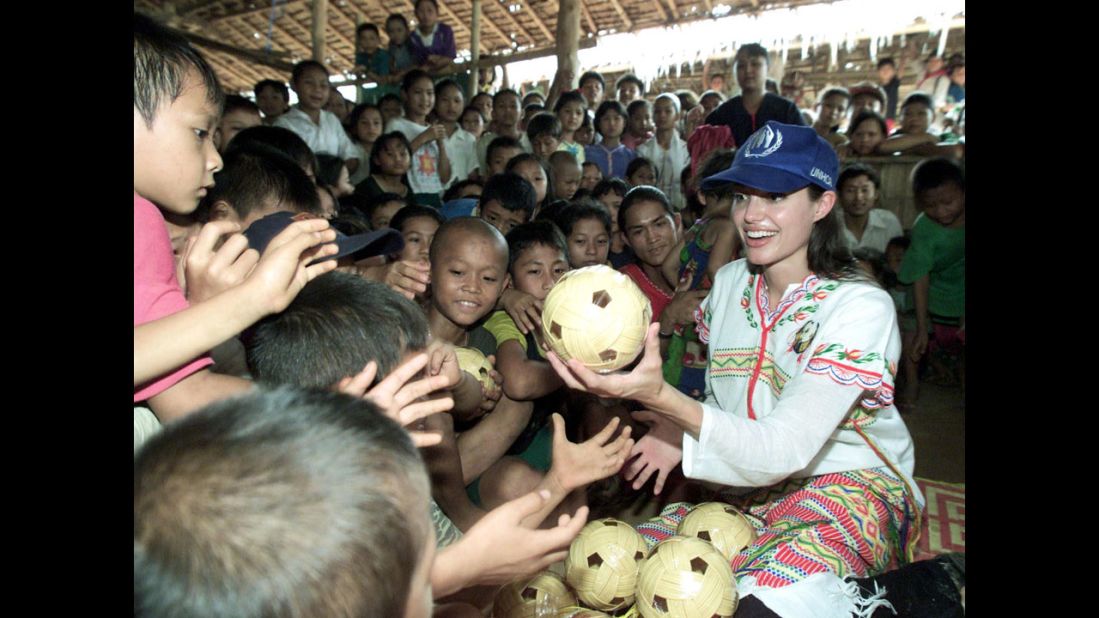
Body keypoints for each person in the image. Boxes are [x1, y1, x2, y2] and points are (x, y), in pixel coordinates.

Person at [547, 122, 934, 618]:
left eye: (774, 195)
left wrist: (664, 401)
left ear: (822, 204)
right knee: (616, 570)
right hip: (747, 489)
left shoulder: (859, 307)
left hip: (849, 484)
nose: (751, 216)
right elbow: (731, 401)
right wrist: (676, 432)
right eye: (741, 196)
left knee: (756, 602)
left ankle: (917, 596)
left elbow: (785, 446)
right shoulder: (729, 285)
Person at [134, 13, 337, 428]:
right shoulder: (142, 220)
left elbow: (179, 387)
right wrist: (254, 297)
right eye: (198, 133)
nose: (215, 159)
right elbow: (187, 400)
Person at [896, 158, 964, 391]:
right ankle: (912, 386)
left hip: (960, 285)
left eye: (948, 202)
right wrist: (923, 327)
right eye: (931, 205)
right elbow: (920, 278)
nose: (941, 211)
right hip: (926, 287)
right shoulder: (924, 228)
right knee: (913, 334)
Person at [701, 44, 804, 146]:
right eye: (741, 66)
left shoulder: (787, 111)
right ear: (734, 71)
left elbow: (805, 149)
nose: (748, 70)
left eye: (755, 64)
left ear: (767, 69)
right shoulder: (720, 116)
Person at [274, 60, 361, 174]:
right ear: (294, 85)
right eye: (309, 83)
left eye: (323, 85)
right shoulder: (284, 124)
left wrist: (335, 177)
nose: (317, 89)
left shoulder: (331, 119)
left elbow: (351, 157)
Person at [386, 69, 451, 207]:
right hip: (409, 195)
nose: (425, 99)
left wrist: (441, 145)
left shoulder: (436, 129)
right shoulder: (396, 125)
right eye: (418, 92)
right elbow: (393, 162)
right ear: (404, 94)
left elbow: (445, 177)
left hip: (435, 195)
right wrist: (424, 137)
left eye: (430, 93)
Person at [637, 93, 690, 210]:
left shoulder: (686, 149)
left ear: (677, 115)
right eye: (657, 111)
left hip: (682, 207)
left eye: (668, 111)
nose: (662, 115)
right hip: (651, 207)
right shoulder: (643, 150)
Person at [836, 163, 902, 253]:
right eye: (850, 190)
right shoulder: (828, 226)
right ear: (839, 195)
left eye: (865, 190)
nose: (858, 197)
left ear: (876, 194)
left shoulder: (889, 223)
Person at [434, 79, 479, 188]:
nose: (451, 106)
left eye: (457, 101)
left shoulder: (469, 139)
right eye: (445, 100)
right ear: (434, 102)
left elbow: (472, 175)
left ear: (464, 103)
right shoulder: (427, 135)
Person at [585, 100, 637, 180]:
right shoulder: (587, 152)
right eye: (606, 119)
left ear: (624, 123)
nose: (612, 123)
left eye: (616, 118)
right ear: (598, 123)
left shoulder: (631, 156)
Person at [408, 0, 457, 73]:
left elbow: (450, 56)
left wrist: (431, 65)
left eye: (430, 11)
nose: (426, 15)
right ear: (416, 14)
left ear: (437, 12)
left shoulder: (445, 31)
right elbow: (415, 61)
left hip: (447, 73)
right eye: (421, 11)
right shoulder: (413, 37)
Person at [353, 23, 393, 104]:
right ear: (359, 41)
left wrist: (366, 71)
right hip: (370, 94)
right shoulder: (360, 57)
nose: (367, 42)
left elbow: (382, 80)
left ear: (378, 40)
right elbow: (359, 77)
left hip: (388, 93)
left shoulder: (384, 56)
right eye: (364, 38)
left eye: (371, 38)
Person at [553, 91, 587, 163]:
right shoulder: (552, 145)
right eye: (567, 111)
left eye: (578, 113)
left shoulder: (580, 148)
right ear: (557, 113)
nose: (573, 117)